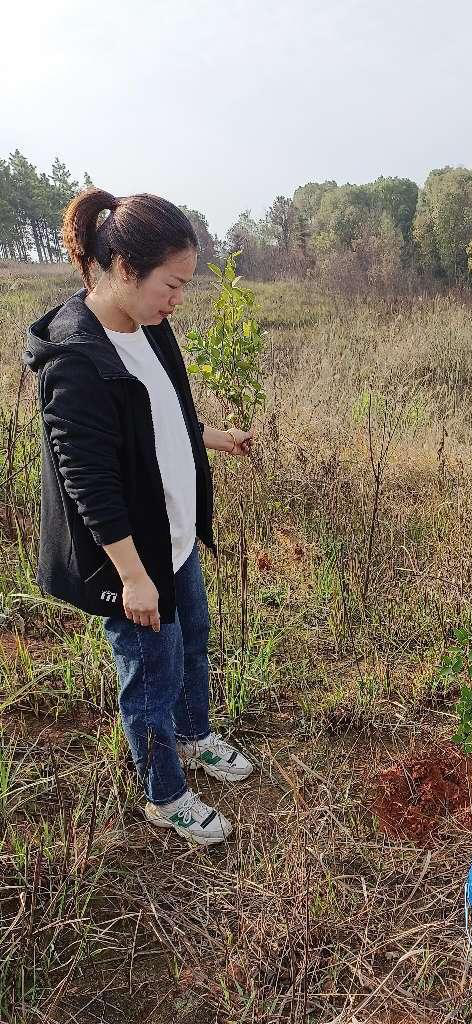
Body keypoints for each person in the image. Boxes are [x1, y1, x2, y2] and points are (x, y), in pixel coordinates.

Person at [26, 188, 254, 847]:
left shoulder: (149, 328)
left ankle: (195, 736)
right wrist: (132, 577)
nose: (176, 299)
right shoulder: (76, 361)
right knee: (149, 673)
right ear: (124, 268)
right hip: (133, 559)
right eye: (171, 283)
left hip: (173, 537)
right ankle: (165, 794)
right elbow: (89, 483)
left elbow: (160, 416)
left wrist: (211, 436)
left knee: (192, 646)